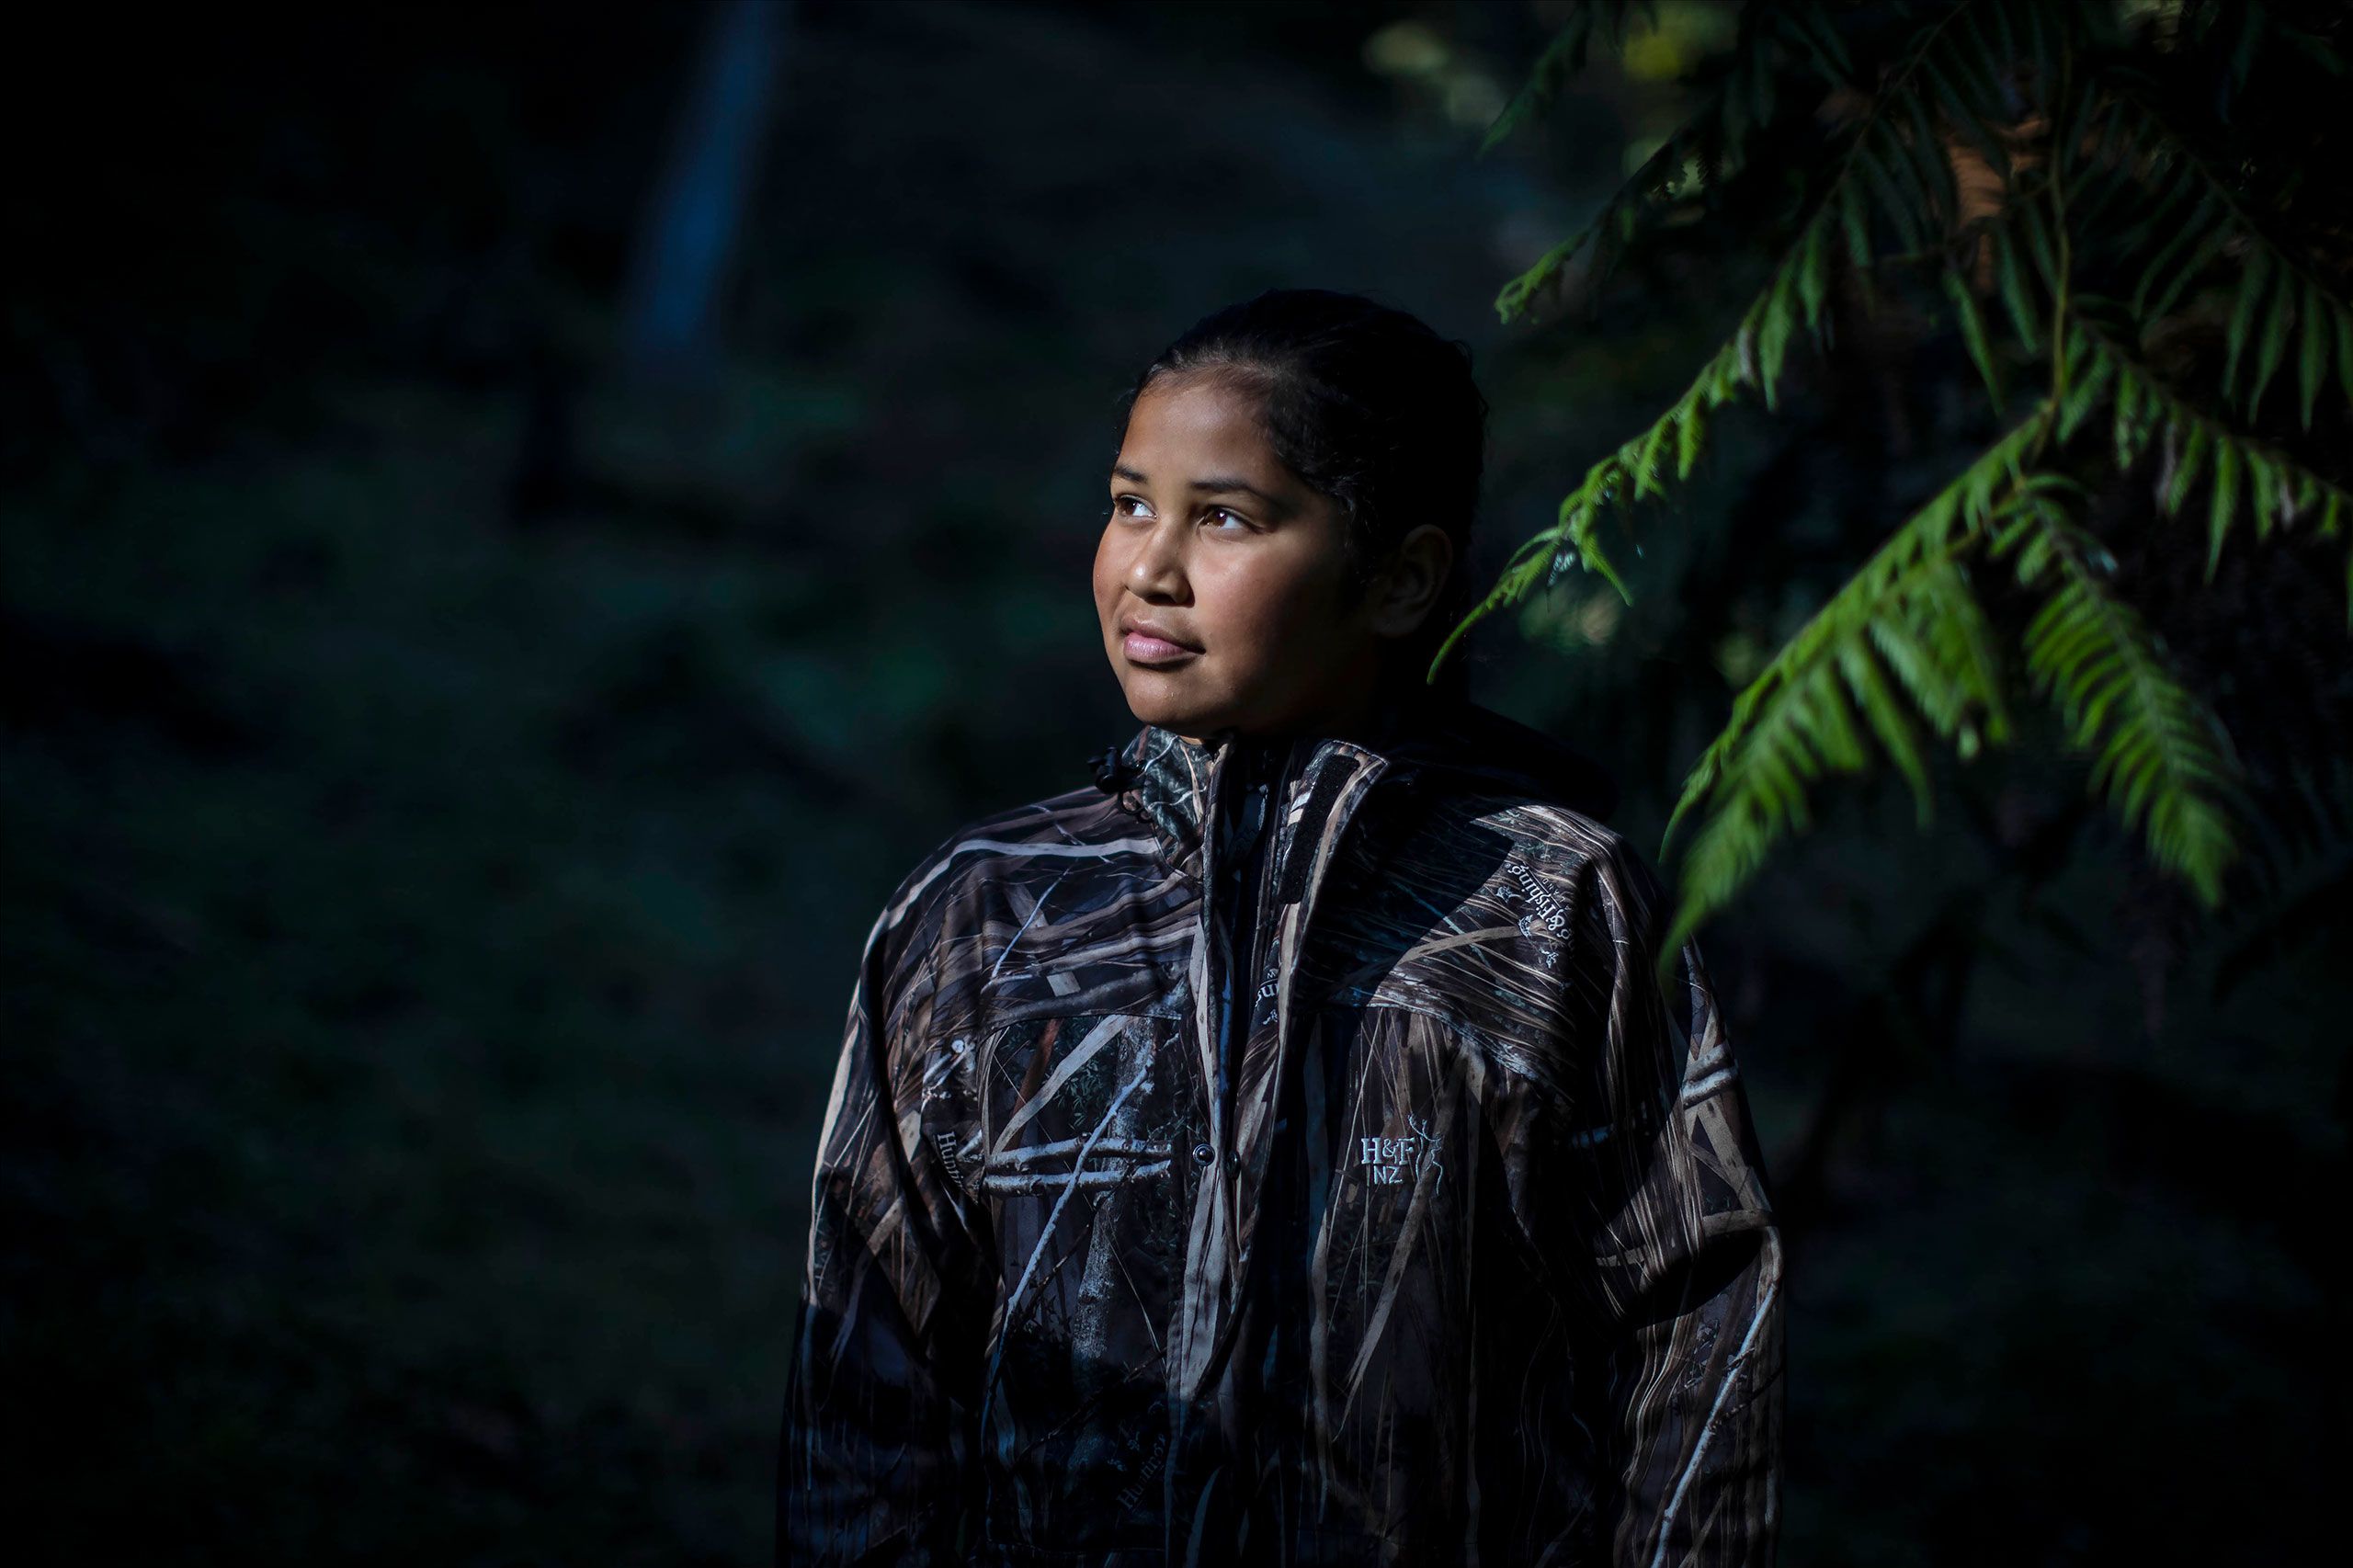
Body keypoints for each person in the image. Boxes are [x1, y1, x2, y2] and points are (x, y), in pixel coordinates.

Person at [779, 290, 1782, 1566]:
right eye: (1132, 500)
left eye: (1227, 518)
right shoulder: (984, 914)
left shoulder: (1556, 914)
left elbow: (1697, 1341)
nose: (1148, 564)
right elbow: (868, 1380)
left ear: (1403, 577)